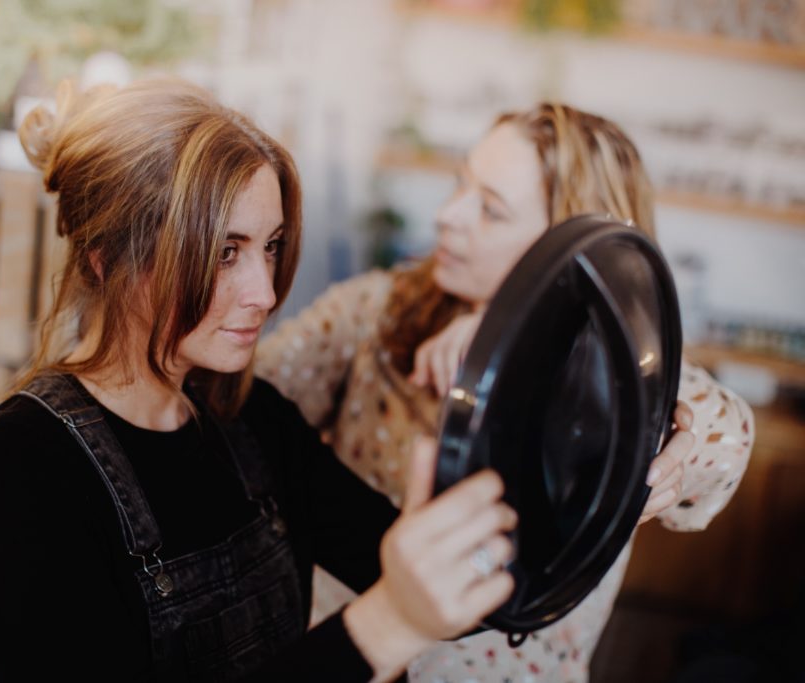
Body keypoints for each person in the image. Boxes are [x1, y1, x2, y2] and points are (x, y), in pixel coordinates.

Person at [0, 77, 520, 683]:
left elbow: (471, 590)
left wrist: (604, 470)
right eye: (227, 251)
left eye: (270, 246)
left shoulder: (252, 419)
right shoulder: (23, 463)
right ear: (109, 259)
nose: (266, 293)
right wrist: (385, 626)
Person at [255, 102, 755, 683]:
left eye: (491, 210)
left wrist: (526, 339)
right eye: (459, 185)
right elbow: (239, 410)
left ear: (575, 252)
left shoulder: (618, 373)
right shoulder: (373, 310)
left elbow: (730, 439)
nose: (448, 215)